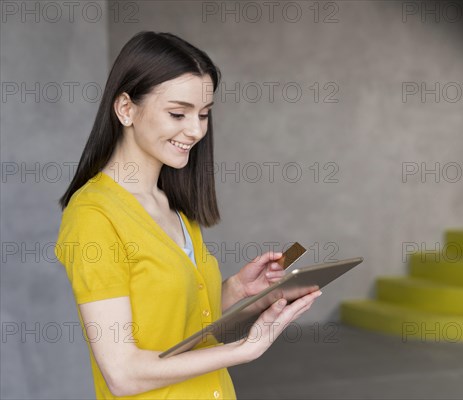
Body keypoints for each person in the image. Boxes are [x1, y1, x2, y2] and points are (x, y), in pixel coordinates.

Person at [53, 31, 321, 399]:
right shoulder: (93, 217)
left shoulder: (173, 205)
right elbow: (122, 373)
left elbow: (177, 318)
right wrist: (243, 349)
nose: (195, 131)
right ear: (126, 109)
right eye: (178, 113)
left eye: (204, 114)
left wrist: (239, 292)